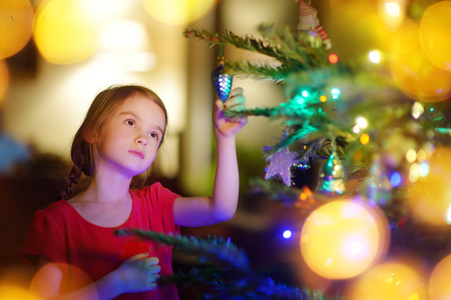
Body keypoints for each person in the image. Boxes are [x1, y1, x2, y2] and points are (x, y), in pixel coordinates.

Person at [21, 84, 247, 300]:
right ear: (93, 131)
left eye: (154, 135)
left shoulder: (156, 204)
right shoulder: (56, 221)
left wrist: (226, 138)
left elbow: (221, 209)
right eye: (130, 122)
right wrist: (115, 284)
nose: (143, 139)